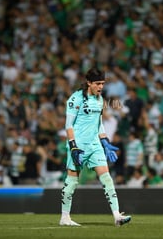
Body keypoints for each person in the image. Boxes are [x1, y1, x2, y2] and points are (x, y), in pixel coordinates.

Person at [59, 67, 131, 227]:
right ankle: (64, 217)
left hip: (94, 145)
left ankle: (117, 216)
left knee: (106, 178)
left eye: (103, 84)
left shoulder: (99, 100)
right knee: (72, 181)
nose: (101, 87)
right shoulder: (75, 99)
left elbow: (98, 124)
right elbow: (68, 125)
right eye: (98, 83)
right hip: (78, 145)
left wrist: (105, 142)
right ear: (89, 83)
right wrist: (73, 146)